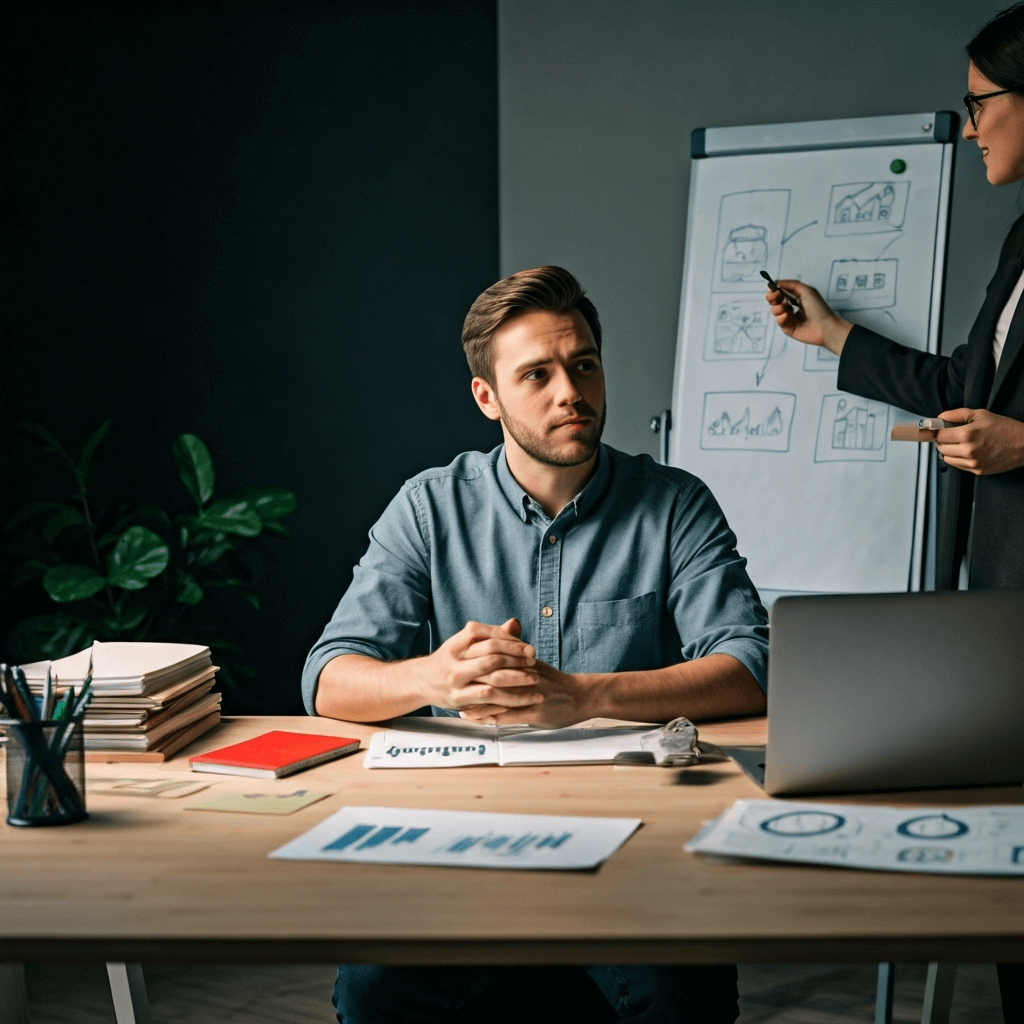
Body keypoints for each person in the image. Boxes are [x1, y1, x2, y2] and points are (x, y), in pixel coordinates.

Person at [304, 265, 769, 1023]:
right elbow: (330, 676)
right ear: (488, 398)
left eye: (583, 364)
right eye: (538, 375)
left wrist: (584, 696)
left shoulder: (674, 503)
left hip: (637, 839)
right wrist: (435, 679)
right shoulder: (428, 507)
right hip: (463, 835)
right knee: (373, 988)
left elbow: (752, 667)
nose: (570, 392)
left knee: (681, 991)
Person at [764, 4, 1024, 1017]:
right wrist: (834, 338)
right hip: (1001, 607)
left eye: (979, 104)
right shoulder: (1019, 241)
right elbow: (973, 382)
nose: (969, 130)